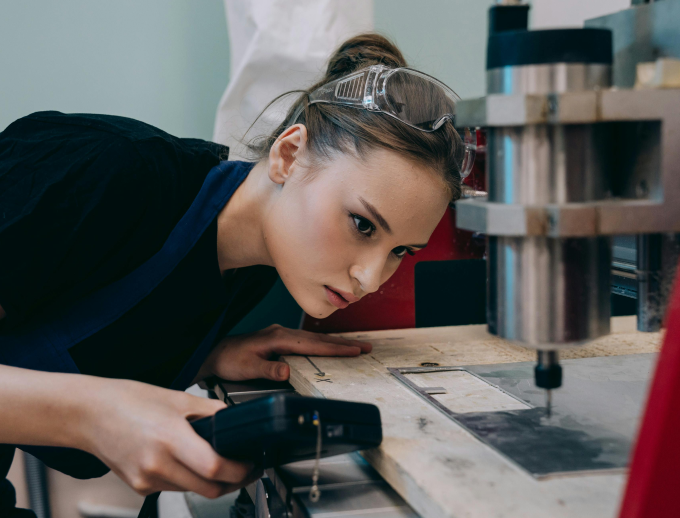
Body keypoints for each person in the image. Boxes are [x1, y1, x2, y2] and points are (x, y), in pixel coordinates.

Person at [0, 34, 467, 515]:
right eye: (362, 224)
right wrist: (92, 416)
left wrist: (200, 359)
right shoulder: (105, 169)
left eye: (401, 251)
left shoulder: (257, 272)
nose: (370, 278)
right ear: (288, 155)